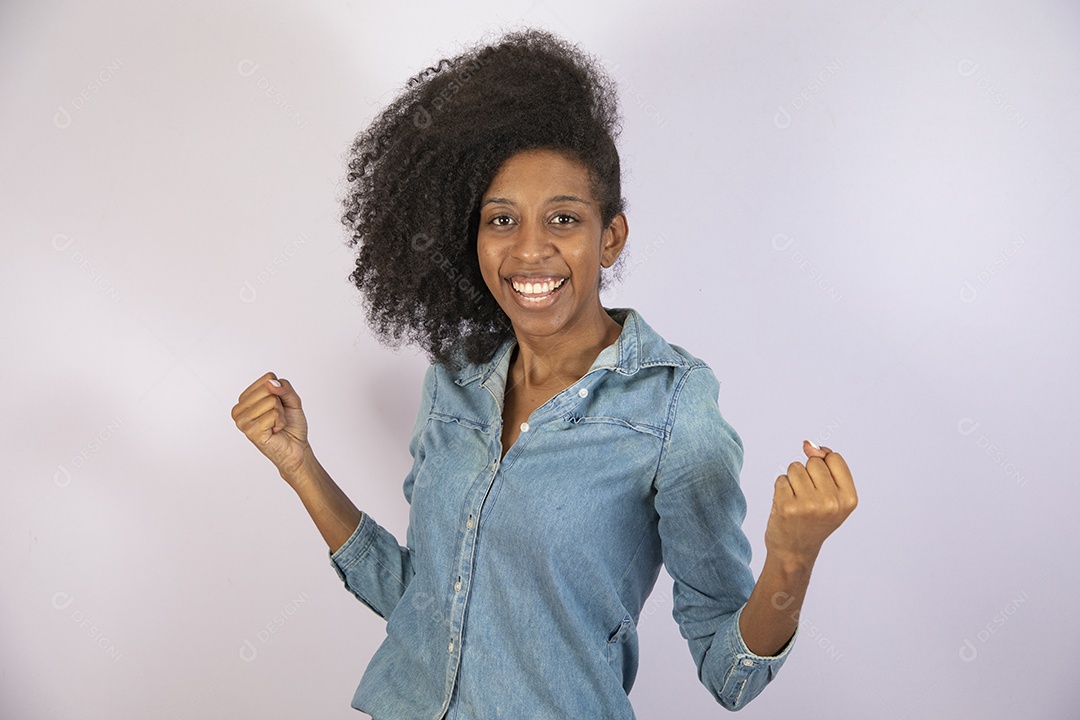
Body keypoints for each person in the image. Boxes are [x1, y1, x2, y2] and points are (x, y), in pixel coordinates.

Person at [231, 28, 857, 718]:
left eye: (563, 218)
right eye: (502, 219)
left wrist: (792, 558)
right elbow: (424, 601)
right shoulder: (456, 382)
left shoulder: (674, 410)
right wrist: (299, 466)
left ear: (609, 235)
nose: (529, 250)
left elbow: (729, 674)